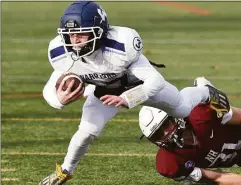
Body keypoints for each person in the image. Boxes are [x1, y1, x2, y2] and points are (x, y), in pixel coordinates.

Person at [39, 1, 230, 185]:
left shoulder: (120, 46)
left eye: (81, 34)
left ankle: (204, 90)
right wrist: (59, 101)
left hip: (139, 86)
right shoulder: (62, 54)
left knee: (182, 108)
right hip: (106, 92)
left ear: (100, 31)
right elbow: (49, 89)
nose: (75, 41)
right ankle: (65, 171)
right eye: (70, 35)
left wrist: (128, 98)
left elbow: (156, 81)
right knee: (86, 132)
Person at [138, 99, 241, 184]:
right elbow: (218, 178)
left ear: (173, 117)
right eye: (158, 134)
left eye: (166, 124)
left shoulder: (200, 114)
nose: (166, 133)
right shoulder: (169, 162)